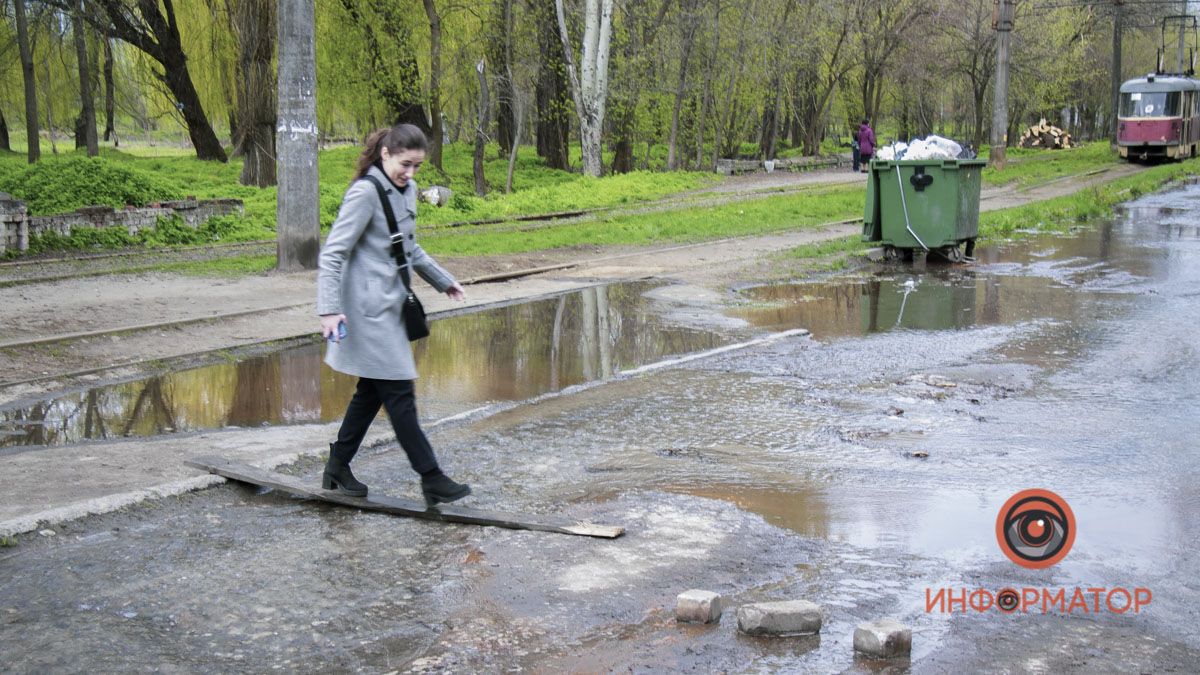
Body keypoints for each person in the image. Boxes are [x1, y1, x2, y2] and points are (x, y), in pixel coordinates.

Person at [317, 123, 471, 507]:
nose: (411, 173)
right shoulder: (364, 194)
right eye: (406, 164)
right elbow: (333, 253)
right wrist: (330, 310)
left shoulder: (409, 190)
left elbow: (409, 249)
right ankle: (432, 477)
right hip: (368, 312)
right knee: (400, 393)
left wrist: (443, 281)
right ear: (385, 154)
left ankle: (337, 467)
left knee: (371, 391)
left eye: (418, 166)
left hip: (391, 305)